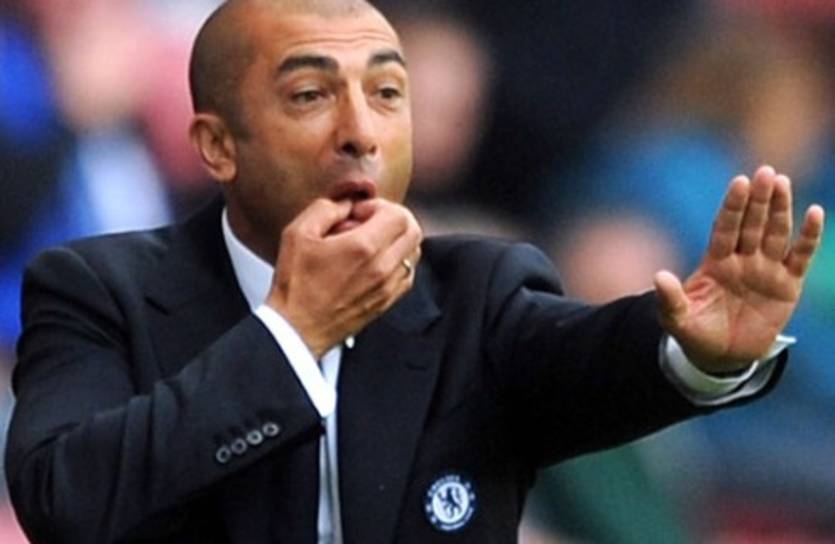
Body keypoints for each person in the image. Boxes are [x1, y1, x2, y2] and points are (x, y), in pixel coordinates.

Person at [4, 1, 824, 543]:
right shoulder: (98, 289)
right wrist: (290, 337)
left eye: (388, 94)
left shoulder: (478, 290)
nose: (361, 131)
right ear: (217, 145)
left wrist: (704, 352)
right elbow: (68, 502)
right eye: (309, 96)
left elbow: (599, 359)